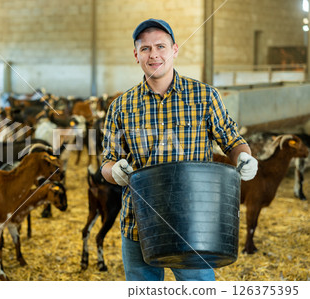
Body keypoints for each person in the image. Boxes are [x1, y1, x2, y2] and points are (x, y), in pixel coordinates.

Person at [101, 18, 258, 281]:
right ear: (136, 54)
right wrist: (113, 171)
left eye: (160, 47)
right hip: (140, 224)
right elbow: (108, 160)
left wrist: (244, 156)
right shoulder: (120, 107)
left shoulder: (205, 96)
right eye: (145, 49)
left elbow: (231, 139)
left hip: (195, 223)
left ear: (174, 50)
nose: (154, 55)